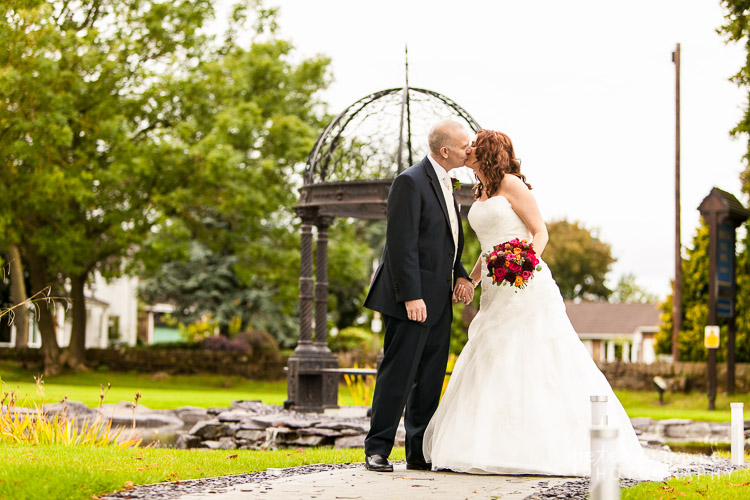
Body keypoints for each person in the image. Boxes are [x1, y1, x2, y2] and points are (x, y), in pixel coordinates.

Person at [422, 129, 669, 480]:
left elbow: (540, 232)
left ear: (490, 152)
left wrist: (523, 263)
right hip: (494, 286)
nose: (470, 150)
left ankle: (548, 445)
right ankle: (484, 445)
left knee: (533, 353)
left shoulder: (511, 185)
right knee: (492, 353)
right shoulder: (481, 192)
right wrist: (472, 279)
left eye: (476, 145)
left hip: (525, 283)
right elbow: (489, 245)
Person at [363, 120, 475, 472]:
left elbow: (447, 243)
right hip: (410, 301)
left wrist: (459, 274)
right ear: (445, 151)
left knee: (429, 378)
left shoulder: (449, 184)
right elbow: (401, 245)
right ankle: (377, 448)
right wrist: (412, 296)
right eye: (464, 146)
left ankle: (418, 451)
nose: (469, 150)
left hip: (440, 300)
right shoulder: (409, 182)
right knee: (398, 373)